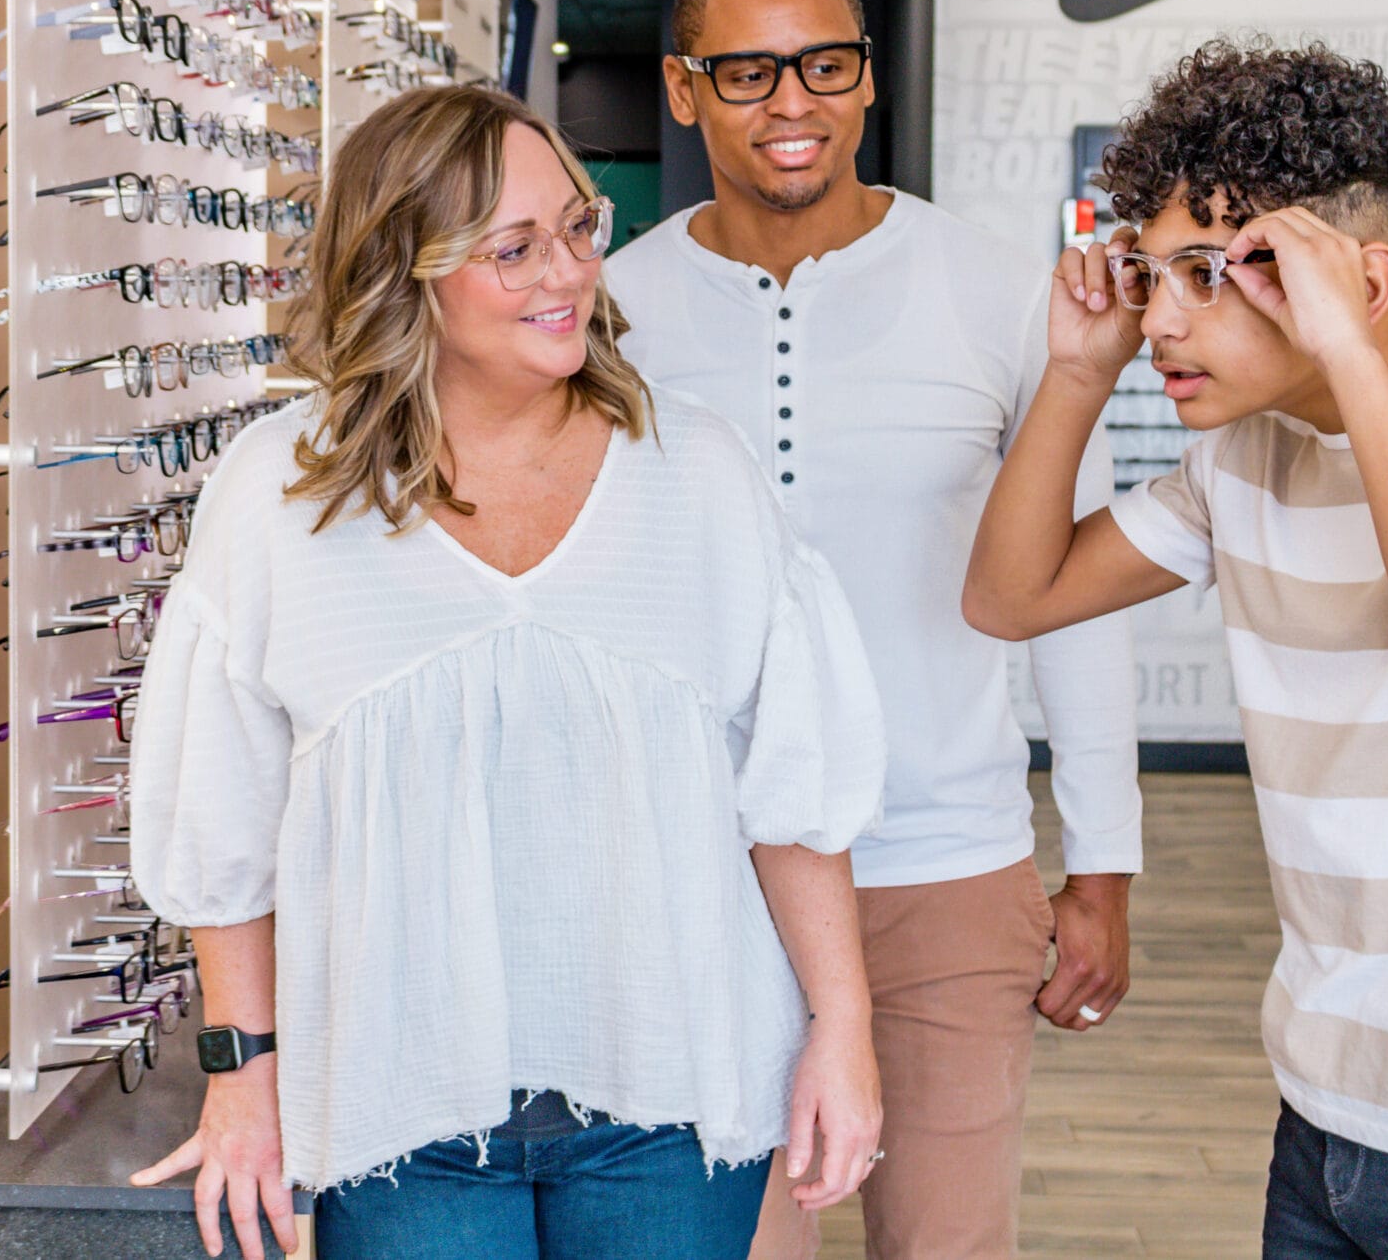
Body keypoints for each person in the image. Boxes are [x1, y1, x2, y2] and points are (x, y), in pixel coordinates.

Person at [127, 84, 889, 1260]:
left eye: (577, 229)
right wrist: (242, 1073)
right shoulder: (280, 495)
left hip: (668, 1100)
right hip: (397, 1108)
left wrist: (843, 1025)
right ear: (405, 272)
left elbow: (790, 794)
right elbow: (226, 828)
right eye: (513, 249)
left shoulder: (697, 475)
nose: (570, 273)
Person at [963, 38, 1388, 1259]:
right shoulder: (1242, 462)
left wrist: (1348, 355)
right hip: (1325, 1109)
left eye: (1210, 272)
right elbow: (1010, 597)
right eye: (1151, 270)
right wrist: (1076, 378)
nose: (1162, 320)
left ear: (1361, 279)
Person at [603, 0, 1141, 1260]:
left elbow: (1075, 591)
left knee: (948, 1244)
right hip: (702, 876)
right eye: (749, 72)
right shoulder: (614, 313)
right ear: (684, 90)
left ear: (866, 78)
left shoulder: (994, 293)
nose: (795, 102)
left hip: (945, 864)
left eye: (826, 63)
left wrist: (1105, 863)